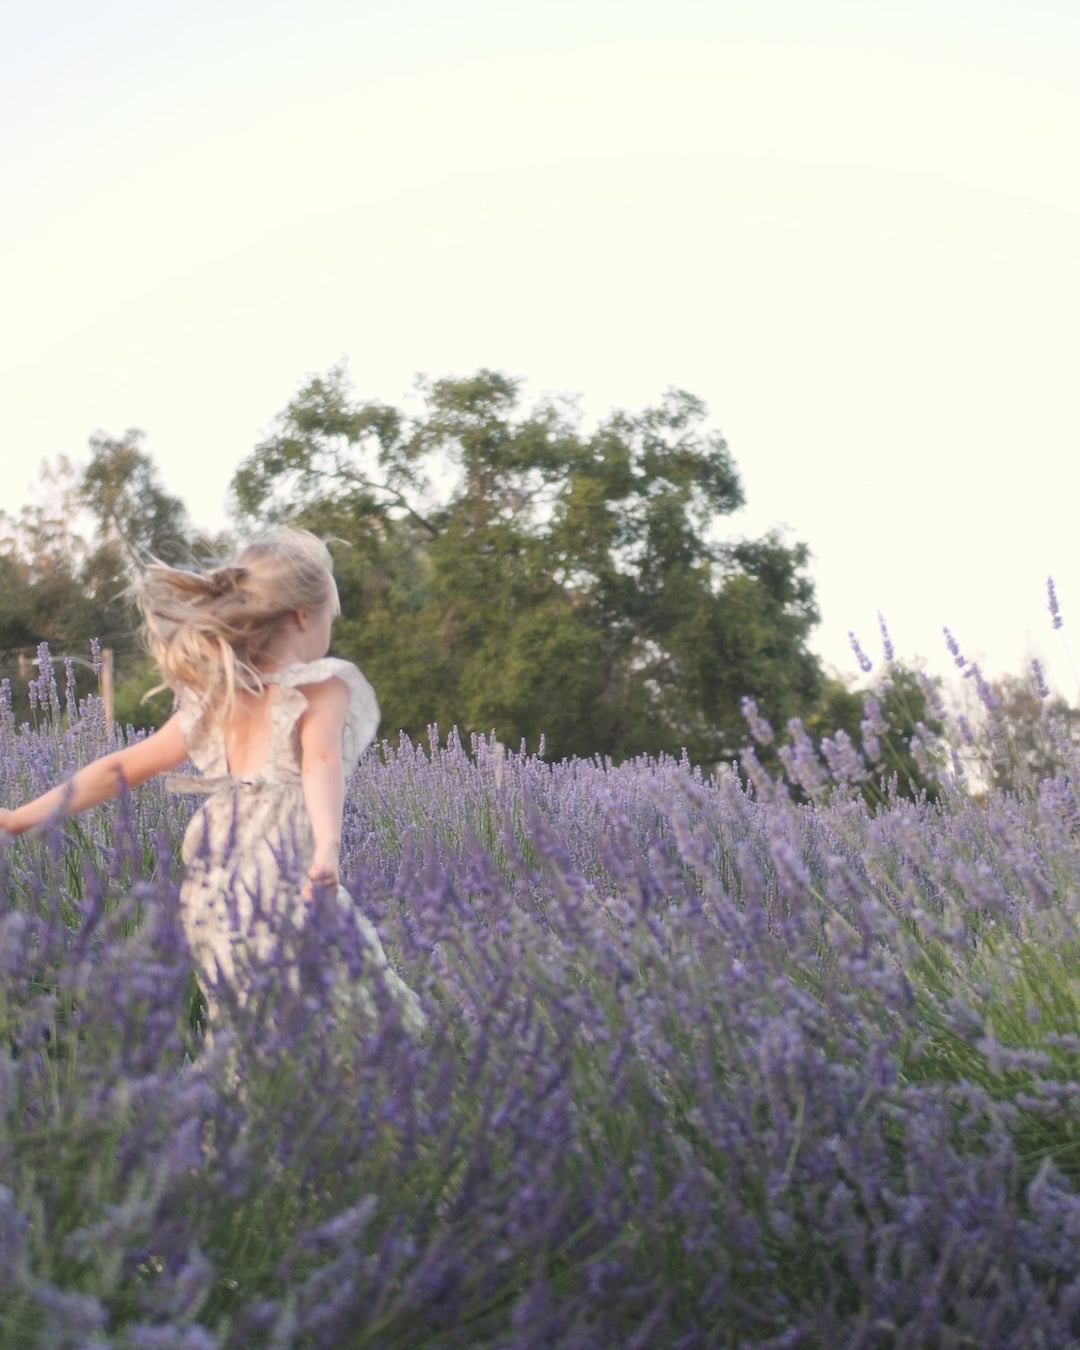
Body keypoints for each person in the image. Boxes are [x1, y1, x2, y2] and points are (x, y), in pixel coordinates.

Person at [0, 527, 424, 1035]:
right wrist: (327, 849)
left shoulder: (215, 699)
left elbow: (120, 769)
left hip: (215, 881)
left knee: (254, 1026)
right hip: (283, 869)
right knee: (356, 1018)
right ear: (301, 614)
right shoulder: (320, 685)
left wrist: (19, 818)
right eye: (332, 617)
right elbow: (320, 764)